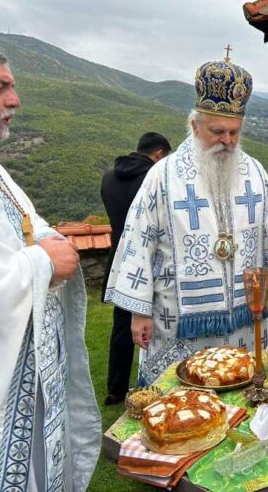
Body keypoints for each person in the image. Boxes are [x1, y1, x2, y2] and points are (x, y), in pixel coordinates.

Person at [105, 57, 268, 385]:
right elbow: (139, 240)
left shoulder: (253, 171)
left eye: (234, 132)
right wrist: (139, 311)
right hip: (179, 321)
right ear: (195, 126)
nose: (227, 140)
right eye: (217, 131)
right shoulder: (163, 176)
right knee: (181, 403)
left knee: (241, 393)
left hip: (243, 315)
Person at [0, 42, 100, 491]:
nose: (15, 100)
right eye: (0, 87)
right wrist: (40, 262)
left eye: (14, 87)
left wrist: (44, 241)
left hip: (27, 378)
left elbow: (29, 223)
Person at [100, 131, 172, 405]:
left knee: (121, 328)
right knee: (150, 325)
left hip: (120, 262)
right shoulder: (153, 181)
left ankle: (115, 389)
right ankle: (156, 381)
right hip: (148, 263)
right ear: (159, 155)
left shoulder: (109, 178)